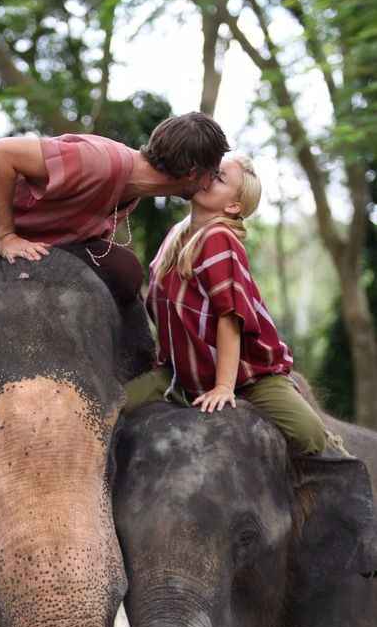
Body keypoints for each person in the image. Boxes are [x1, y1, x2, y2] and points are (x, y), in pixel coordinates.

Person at [0, 113, 230, 306]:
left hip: (50, 240)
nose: (212, 182)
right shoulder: (100, 162)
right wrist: (5, 236)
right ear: (193, 173)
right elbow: (0, 152)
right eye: (213, 173)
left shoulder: (134, 187)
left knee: (125, 271)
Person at [124, 153, 329, 456]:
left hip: (247, 376)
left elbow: (229, 317)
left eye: (219, 178)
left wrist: (223, 387)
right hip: (180, 375)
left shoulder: (219, 238)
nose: (208, 177)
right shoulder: (176, 236)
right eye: (210, 170)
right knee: (115, 406)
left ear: (233, 206)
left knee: (310, 436)